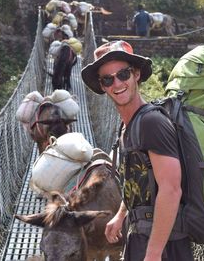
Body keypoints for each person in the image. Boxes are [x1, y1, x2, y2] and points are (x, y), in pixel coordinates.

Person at [81, 40, 194, 261]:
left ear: (137, 75)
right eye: (107, 79)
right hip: (141, 235)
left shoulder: (151, 122)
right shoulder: (127, 126)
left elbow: (171, 189)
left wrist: (153, 253)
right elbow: (140, 181)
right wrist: (121, 214)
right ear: (102, 87)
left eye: (123, 74)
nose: (117, 83)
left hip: (164, 244)